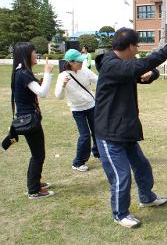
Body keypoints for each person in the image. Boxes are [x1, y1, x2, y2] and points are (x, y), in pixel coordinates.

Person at [94, 27, 167, 229]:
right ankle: (120, 213)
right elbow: (137, 67)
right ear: (130, 46)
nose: (137, 50)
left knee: (142, 167)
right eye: (137, 46)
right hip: (109, 133)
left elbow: (142, 70)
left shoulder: (122, 66)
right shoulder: (111, 65)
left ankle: (147, 197)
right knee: (121, 175)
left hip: (125, 130)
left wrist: (152, 74)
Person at [2, 42, 55, 199]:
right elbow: (43, 93)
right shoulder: (24, 73)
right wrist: (47, 73)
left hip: (27, 118)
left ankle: (36, 182)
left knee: (38, 153)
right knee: (38, 155)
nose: (36, 54)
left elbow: (30, 92)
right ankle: (34, 190)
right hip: (29, 120)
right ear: (26, 54)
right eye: (34, 51)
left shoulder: (20, 72)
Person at [55, 49, 100, 172]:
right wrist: (63, 85)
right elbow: (58, 96)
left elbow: (97, 80)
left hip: (91, 105)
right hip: (77, 109)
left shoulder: (84, 70)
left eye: (81, 60)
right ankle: (78, 162)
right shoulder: (63, 76)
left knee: (97, 131)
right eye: (79, 61)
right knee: (85, 136)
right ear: (70, 62)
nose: (81, 63)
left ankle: (97, 152)